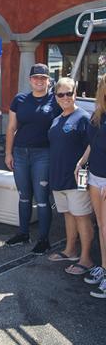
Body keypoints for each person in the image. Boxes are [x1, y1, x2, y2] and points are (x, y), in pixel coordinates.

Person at [5, 63, 61, 255]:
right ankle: (23, 233)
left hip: (43, 154)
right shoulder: (19, 99)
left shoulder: (56, 100)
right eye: (36, 77)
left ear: (48, 80)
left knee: (43, 198)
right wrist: (8, 153)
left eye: (43, 78)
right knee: (24, 196)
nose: (39, 81)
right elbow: (11, 128)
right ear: (30, 80)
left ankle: (43, 240)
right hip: (20, 153)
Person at [47, 77, 94, 275]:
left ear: (76, 94)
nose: (65, 97)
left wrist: (81, 165)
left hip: (78, 177)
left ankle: (86, 259)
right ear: (56, 97)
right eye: (61, 94)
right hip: (58, 177)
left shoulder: (84, 117)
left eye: (69, 93)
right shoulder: (57, 119)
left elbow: (93, 145)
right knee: (67, 214)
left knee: (82, 217)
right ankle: (70, 250)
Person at [76, 74, 106, 299]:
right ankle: (104, 269)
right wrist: (81, 162)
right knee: (102, 227)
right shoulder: (99, 113)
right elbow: (92, 143)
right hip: (94, 175)